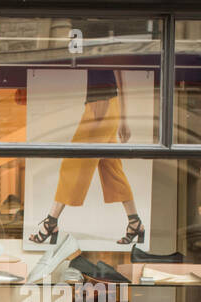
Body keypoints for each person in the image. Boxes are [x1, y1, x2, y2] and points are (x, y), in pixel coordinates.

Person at [28, 66, 142, 246]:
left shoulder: (102, 43)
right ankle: (135, 222)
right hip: (105, 104)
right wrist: (122, 118)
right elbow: (120, 77)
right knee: (111, 167)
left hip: (101, 105)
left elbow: (119, 75)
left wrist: (122, 118)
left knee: (73, 163)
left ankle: (51, 221)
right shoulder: (98, 45)